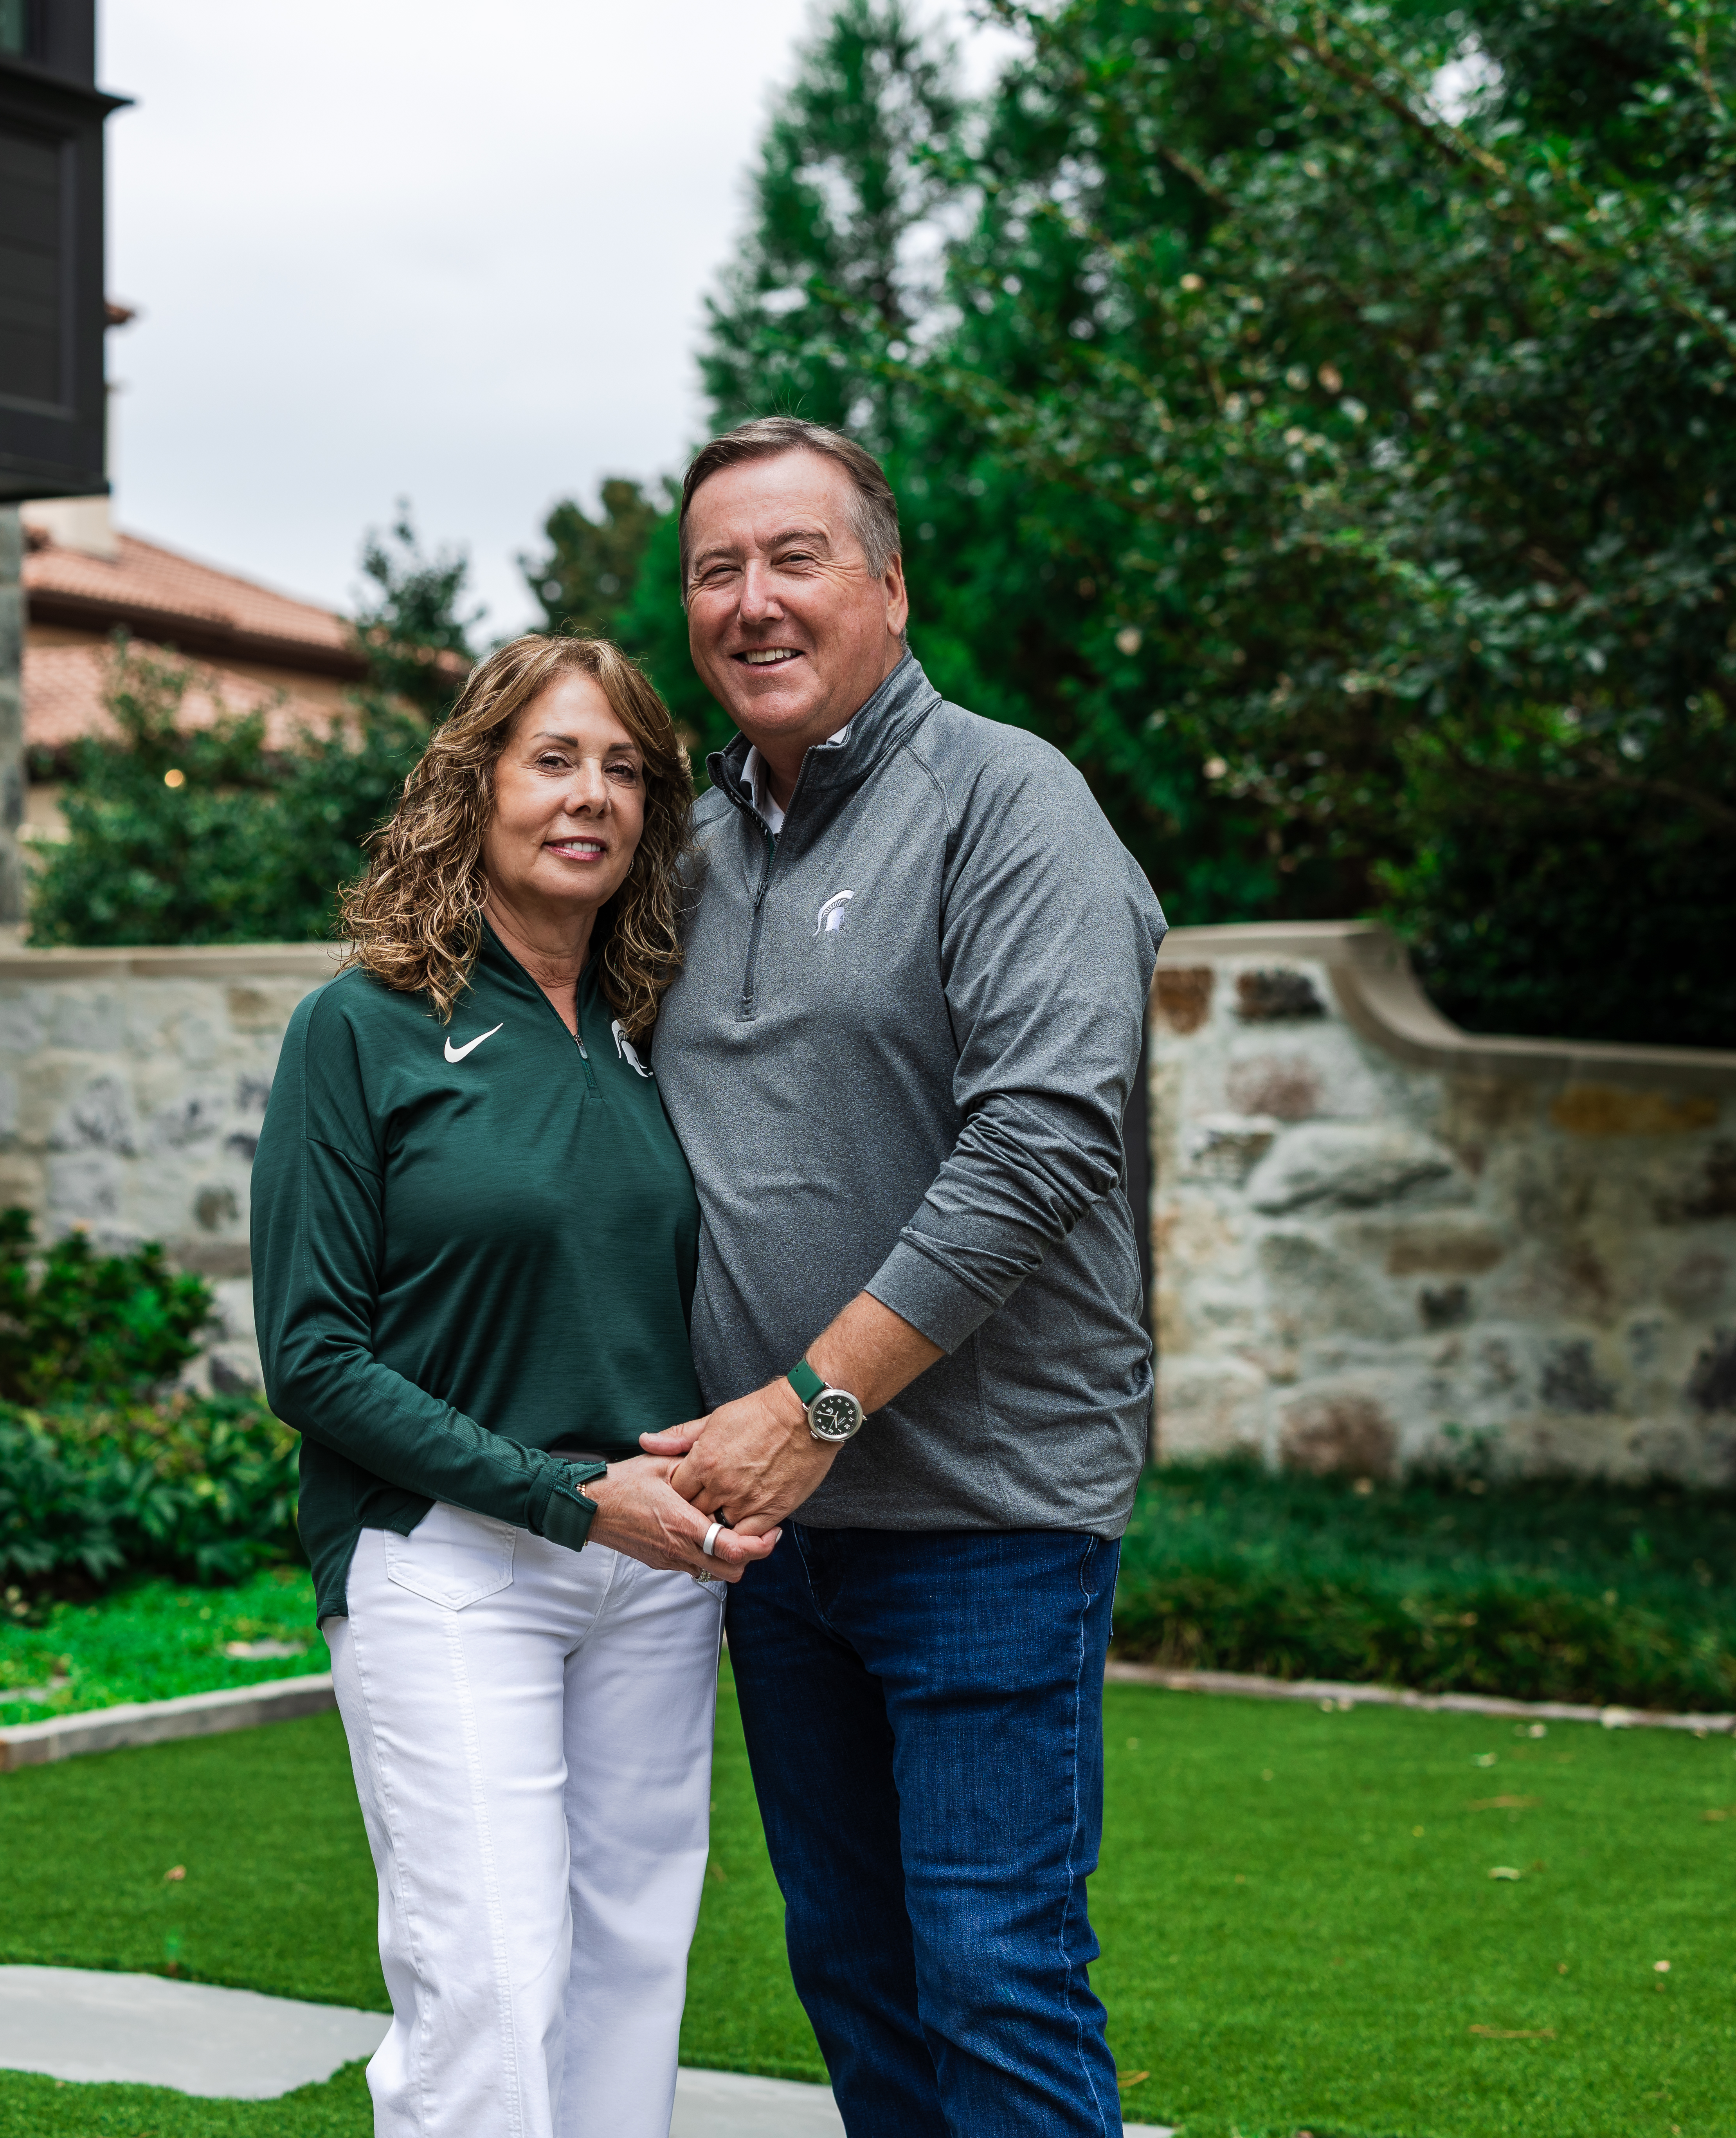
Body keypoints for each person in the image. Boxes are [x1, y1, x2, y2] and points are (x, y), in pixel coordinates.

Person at [642, 416, 1166, 2138]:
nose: (752, 601)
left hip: (980, 1517)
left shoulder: (1011, 804)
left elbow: (1040, 1148)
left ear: (888, 585)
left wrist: (809, 1407)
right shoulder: (689, 848)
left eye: (793, 558)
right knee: (855, 1976)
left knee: (994, 1973)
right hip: (770, 1539)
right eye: (716, 570)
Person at [251, 633, 769, 2138]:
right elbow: (312, 1357)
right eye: (553, 760)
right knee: (486, 1978)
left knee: (630, 1969)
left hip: (656, 1571)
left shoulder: (655, 1030)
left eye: (625, 769)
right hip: (451, 1561)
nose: (590, 795)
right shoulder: (360, 1028)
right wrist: (563, 1497)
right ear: (472, 787)